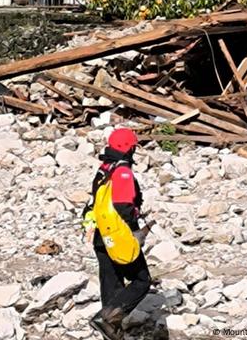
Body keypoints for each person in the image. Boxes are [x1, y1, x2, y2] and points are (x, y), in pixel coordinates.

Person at [82, 127, 151, 340]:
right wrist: (134, 229)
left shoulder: (104, 167)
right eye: (133, 147)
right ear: (128, 148)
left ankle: (111, 331)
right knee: (142, 280)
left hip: (99, 235)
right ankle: (105, 319)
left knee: (111, 283)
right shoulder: (122, 171)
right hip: (117, 235)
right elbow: (123, 206)